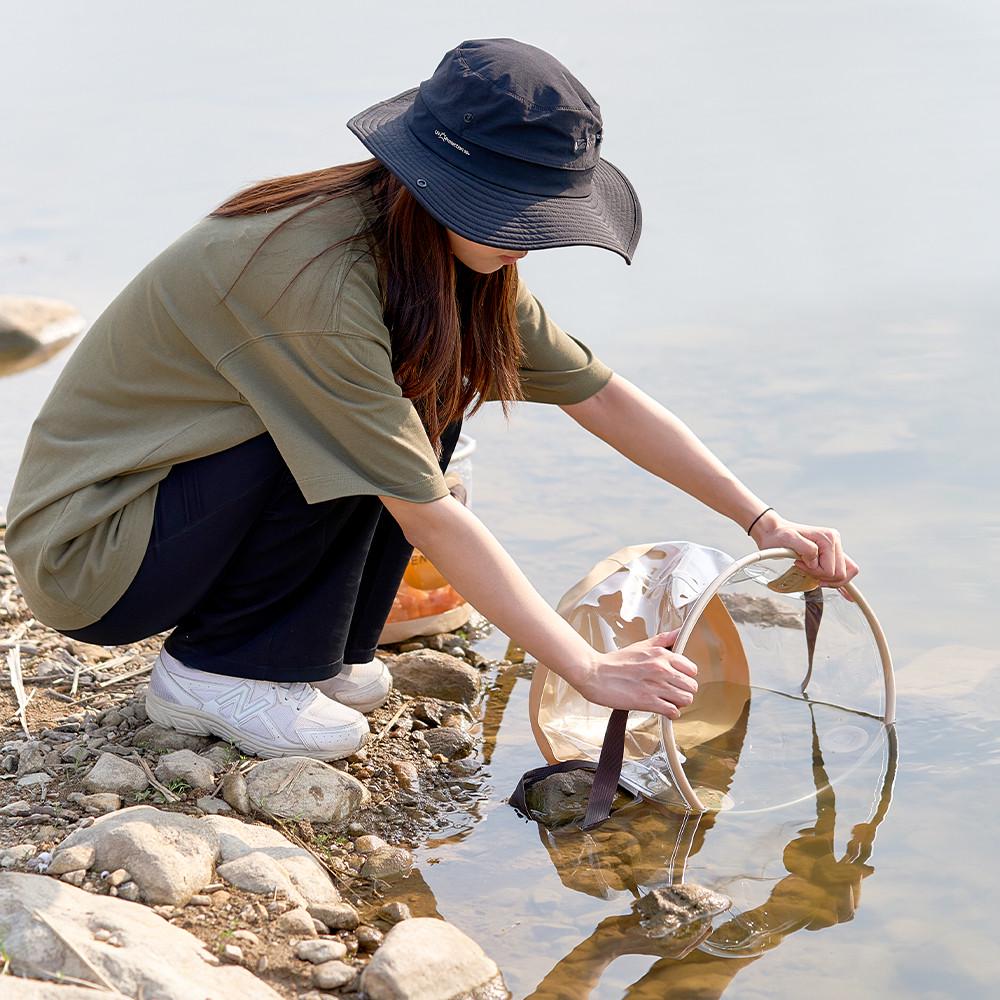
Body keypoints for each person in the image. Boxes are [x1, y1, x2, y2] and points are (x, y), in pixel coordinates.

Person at [4, 38, 858, 762]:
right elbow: (425, 511)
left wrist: (762, 522)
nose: (535, 234)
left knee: (430, 391)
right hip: (94, 552)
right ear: (446, 186)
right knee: (368, 436)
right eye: (518, 210)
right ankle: (218, 671)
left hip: (185, 505)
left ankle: (305, 652)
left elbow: (600, 397)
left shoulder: (441, 257)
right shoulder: (310, 277)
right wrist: (585, 669)